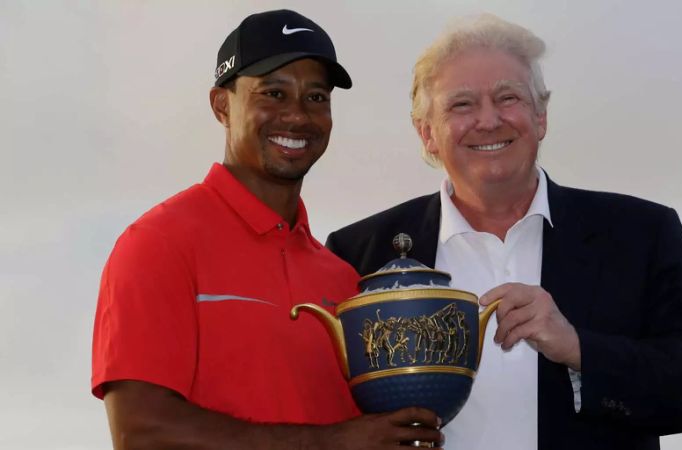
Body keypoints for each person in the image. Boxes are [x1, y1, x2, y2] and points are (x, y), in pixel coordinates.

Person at [326, 14, 682, 450]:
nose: (488, 120)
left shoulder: (639, 233)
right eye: (461, 105)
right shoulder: (355, 253)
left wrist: (579, 348)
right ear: (427, 133)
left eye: (508, 97)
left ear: (540, 116)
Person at [91, 10, 442, 449]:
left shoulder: (342, 278)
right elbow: (141, 431)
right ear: (222, 105)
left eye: (316, 98)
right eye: (273, 93)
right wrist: (330, 443)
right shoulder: (158, 243)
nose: (297, 116)